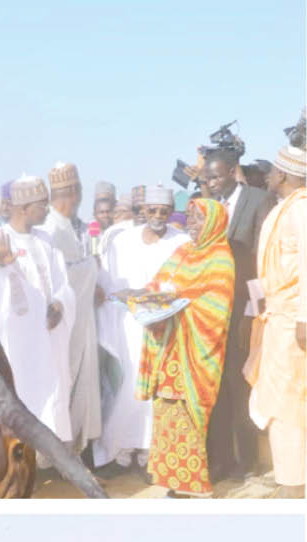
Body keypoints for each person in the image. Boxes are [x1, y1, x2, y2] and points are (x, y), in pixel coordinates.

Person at [132, 197, 235, 496]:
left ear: (214, 223)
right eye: (189, 217)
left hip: (194, 354)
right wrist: (145, 297)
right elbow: (158, 282)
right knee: (165, 410)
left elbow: (217, 309)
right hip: (167, 349)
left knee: (188, 415)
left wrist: (178, 303)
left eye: (198, 218)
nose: (191, 223)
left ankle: (192, 485)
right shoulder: (182, 251)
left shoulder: (220, 258)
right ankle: (169, 480)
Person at [0, 174, 74, 444]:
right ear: (23, 208)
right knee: (17, 397)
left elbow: (63, 284)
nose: (48, 210)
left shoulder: (46, 241)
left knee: (49, 397)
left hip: (46, 339)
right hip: (15, 342)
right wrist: (0, 266)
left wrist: (60, 303)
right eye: (42, 204)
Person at [94, 185, 189, 475]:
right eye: (152, 210)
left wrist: (151, 295)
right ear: (142, 211)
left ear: (171, 210)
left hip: (164, 327)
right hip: (128, 327)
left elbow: (182, 285)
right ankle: (121, 449)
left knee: (157, 390)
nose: (158, 216)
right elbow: (108, 284)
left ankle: (151, 451)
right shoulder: (122, 241)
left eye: (164, 210)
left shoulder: (181, 243)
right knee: (128, 387)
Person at [203, 146, 273, 480]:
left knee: (238, 382)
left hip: (243, 309)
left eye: (215, 176)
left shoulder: (258, 200)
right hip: (210, 315)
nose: (211, 182)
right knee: (214, 388)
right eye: (207, 177)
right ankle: (220, 459)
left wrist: (252, 312)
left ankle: (247, 460)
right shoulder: (206, 206)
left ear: (233, 171)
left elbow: (262, 257)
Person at [243, 140, 306, 497]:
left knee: (288, 405)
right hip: (275, 319)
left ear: (282, 174)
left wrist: (303, 319)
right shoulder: (284, 208)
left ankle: (293, 485)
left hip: (292, 325)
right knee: (279, 402)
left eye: (271, 171)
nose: (266, 175)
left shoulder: (301, 211)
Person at [37, 162, 101, 453]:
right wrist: (91, 268)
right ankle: (52, 455)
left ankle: (72, 451)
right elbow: (61, 278)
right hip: (59, 326)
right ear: (73, 192)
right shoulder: (48, 230)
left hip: (81, 322)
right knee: (59, 384)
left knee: (78, 382)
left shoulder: (73, 228)